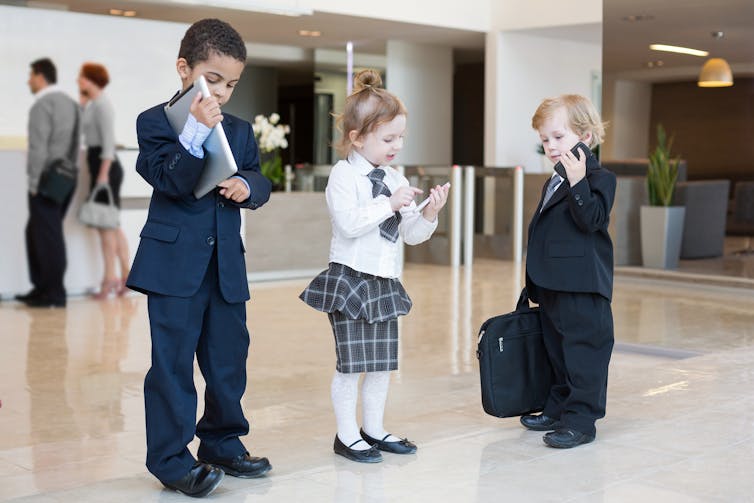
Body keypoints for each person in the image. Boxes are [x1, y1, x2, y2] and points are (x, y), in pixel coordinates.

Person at [125, 19, 272, 497]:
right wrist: (194, 131)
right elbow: (168, 179)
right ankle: (170, 460)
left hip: (226, 267)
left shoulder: (242, 130)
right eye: (214, 80)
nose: (224, 93)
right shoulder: (154, 122)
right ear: (185, 69)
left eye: (232, 84)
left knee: (229, 359)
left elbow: (259, 178)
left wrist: (248, 185)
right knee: (171, 365)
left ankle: (222, 442)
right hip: (172, 269)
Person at [300, 69, 450, 464]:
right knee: (352, 365)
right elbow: (349, 224)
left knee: (381, 365)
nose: (397, 145)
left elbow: (411, 234)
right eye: (388, 139)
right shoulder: (344, 175)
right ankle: (346, 435)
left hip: (385, 281)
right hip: (350, 280)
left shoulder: (395, 177)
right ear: (357, 137)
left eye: (400, 137)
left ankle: (374, 429)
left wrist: (429, 213)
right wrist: (390, 202)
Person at [519, 94, 616, 449]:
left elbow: (591, 220)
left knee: (583, 351)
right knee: (557, 349)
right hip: (552, 284)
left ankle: (581, 420)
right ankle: (558, 406)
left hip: (582, 285)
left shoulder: (599, 178)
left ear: (585, 137)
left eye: (558, 137)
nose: (551, 146)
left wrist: (578, 183)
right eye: (545, 140)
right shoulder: (555, 179)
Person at [16, 58, 80, 308]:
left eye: (31, 76)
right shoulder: (70, 103)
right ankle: (43, 288)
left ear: (41, 76)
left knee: (46, 236)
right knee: (38, 232)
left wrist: (33, 183)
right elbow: (76, 143)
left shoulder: (42, 105)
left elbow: (38, 148)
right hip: (66, 177)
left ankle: (53, 293)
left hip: (45, 180)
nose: (29, 81)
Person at [77, 62, 131, 299]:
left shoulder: (103, 106)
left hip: (105, 168)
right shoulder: (93, 104)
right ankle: (127, 275)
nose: (78, 81)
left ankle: (110, 278)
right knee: (112, 224)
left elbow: (108, 145)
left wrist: (102, 176)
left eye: (81, 77)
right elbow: (84, 131)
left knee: (105, 227)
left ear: (90, 79)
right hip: (101, 166)